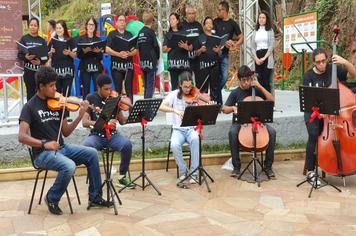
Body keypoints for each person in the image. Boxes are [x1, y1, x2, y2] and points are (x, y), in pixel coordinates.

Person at [18, 67, 109, 215]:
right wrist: (44, 143)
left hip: (62, 148)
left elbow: (65, 132)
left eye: (55, 85)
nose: (55, 89)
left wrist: (80, 116)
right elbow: (22, 136)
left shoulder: (58, 103)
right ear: (41, 86)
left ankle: (95, 197)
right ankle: (52, 197)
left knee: (92, 153)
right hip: (42, 154)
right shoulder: (30, 107)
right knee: (69, 166)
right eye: (51, 85)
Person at [303, 48, 356, 185]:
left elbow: (353, 74)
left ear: (327, 59)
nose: (322, 65)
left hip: (333, 113)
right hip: (314, 112)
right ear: (313, 62)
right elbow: (308, 100)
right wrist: (319, 112)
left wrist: (345, 62)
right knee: (314, 134)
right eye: (318, 62)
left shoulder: (334, 69)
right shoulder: (308, 76)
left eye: (323, 61)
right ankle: (310, 170)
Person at [221, 65, 276, 178]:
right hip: (240, 124)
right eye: (243, 80)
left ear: (251, 78)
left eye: (248, 79)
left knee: (272, 132)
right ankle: (236, 167)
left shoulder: (256, 89)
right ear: (239, 79)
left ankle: (268, 167)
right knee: (232, 133)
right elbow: (224, 109)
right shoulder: (235, 93)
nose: (246, 82)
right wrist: (233, 108)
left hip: (258, 123)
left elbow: (271, 101)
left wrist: (260, 86)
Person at [82, 74, 135, 189]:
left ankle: (121, 177)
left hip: (112, 136)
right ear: (98, 87)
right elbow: (85, 122)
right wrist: (102, 123)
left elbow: (122, 121)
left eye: (110, 88)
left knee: (127, 144)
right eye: (106, 89)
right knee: (87, 146)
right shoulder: (91, 98)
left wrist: (134, 116)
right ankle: (94, 181)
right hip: (96, 135)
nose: (109, 91)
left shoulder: (114, 99)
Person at [159, 71, 200, 186]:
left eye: (190, 86)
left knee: (196, 139)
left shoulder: (195, 95)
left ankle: (194, 173)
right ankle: (183, 171)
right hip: (178, 130)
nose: (188, 89)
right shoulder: (173, 94)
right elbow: (161, 106)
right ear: (180, 85)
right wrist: (175, 111)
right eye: (185, 86)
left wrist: (200, 103)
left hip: (191, 128)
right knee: (174, 145)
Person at [214, 1, 243, 105]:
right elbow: (210, 35)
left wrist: (235, 44)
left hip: (225, 54)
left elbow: (241, 37)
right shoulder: (215, 22)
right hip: (215, 53)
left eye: (219, 9)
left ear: (225, 11)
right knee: (216, 77)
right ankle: (218, 102)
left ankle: (214, 92)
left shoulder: (232, 23)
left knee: (225, 77)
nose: (218, 11)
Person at [106, 14, 137, 102]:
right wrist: (118, 54)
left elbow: (135, 50)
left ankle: (131, 112)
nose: (122, 22)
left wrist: (129, 54)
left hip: (128, 66)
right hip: (116, 66)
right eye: (120, 20)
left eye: (124, 20)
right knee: (118, 90)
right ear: (116, 23)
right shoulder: (112, 34)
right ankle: (117, 113)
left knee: (129, 89)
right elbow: (107, 49)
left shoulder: (129, 34)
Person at [17, 18, 48, 102]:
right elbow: (19, 55)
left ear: (38, 27)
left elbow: (46, 57)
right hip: (28, 73)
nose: (33, 27)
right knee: (30, 95)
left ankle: (39, 113)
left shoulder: (42, 41)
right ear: (28, 26)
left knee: (41, 94)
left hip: (39, 73)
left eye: (35, 25)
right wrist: (26, 58)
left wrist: (40, 62)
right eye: (31, 25)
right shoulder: (24, 39)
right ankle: (30, 114)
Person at [194, 16, 221, 101]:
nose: (209, 25)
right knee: (203, 88)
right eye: (207, 23)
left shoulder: (216, 37)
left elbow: (220, 53)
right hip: (203, 66)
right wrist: (200, 50)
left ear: (212, 25)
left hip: (214, 65)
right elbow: (195, 53)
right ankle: (202, 106)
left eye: (210, 23)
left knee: (215, 87)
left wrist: (218, 51)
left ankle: (214, 106)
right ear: (204, 25)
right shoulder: (200, 37)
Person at [162, 13, 191, 90]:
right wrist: (172, 45)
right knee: (174, 87)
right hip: (173, 64)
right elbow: (164, 50)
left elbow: (191, 47)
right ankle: (175, 101)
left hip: (184, 63)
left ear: (177, 21)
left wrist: (186, 47)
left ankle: (186, 101)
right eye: (170, 19)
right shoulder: (168, 34)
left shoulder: (184, 32)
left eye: (173, 19)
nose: (171, 21)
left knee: (186, 85)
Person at [77, 17, 104, 98]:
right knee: (86, 89)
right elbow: (78, 55)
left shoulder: (98, 39)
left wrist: (98, 52)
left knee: (97, 89)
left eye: (92, 25)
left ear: (95, 26)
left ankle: (96, 108)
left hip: (96, 67)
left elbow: (101, 57)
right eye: (89, 24)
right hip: (85, 67)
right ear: (86, 26)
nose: (91, 26)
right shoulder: (81, 39)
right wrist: (84, 52)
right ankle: (87, 108)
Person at [49, 20, 77, 95]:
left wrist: (69, 53)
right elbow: (48, 56)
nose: (58, 30)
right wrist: (50, 52)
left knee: (66, 95)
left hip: (68, 71)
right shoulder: (53, 40)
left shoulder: (70, 40)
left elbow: (75, 55)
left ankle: (65, 107)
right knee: (56, 94)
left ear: (64, 28)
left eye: (60, 28)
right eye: (57, 28)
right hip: (56, 72)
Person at [137, 11, 160, 98]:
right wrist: (157, 58)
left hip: (143, 61)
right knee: (150, 84)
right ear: (152, 21)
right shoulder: (151, 32)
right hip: (151, 61)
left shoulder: (140, 32)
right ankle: (148, 106)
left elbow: (138, 48)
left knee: (146, 84)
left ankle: (145, 104)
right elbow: (156, 46)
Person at [251, 11, 275, 92]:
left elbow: (271, 46)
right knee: (258, 80)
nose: (261, 19)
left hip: (267, 56)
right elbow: (253, 47)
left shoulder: (270, 30)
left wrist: (264, 58)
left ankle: (268, 102)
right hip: (257, 55)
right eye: (260, 18)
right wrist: (256, 59)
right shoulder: (255, 31)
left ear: (266, 19)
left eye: (263, 18)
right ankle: (260, 101)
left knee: (266, 81)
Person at [181, 5, 204, 80]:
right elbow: (178, 40)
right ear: (186, 15)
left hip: (198, 57)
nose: (191, 15)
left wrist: (198, 48)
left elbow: (202, 39)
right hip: (186, 58)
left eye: (193, 13)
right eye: (189, 13)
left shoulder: (198, 25)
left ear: (195, 14)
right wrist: (185, 46)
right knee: (188, 80)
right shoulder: (181, 25)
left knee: (200, 80)